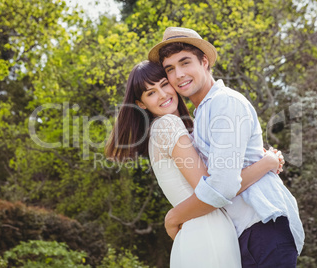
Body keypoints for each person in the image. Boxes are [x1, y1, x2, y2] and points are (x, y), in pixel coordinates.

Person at [148, 27, 305, 267]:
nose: (178, 75)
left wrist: (174, 217)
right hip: (242, 234)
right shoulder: (200, 115)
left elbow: (222, 185)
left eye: (185, 62)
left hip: (261, 227)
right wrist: (266, 162)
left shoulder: (224, 103)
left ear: (204, 61)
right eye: (170, 69)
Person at [105, 60, 284, 267]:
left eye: (164, 84)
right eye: (151, 92)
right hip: (209, 229)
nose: (162, 94)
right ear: (141, 104)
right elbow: (214, 189)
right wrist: (267, 163)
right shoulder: (167, 125)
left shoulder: (171, 128)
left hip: (201, 230)